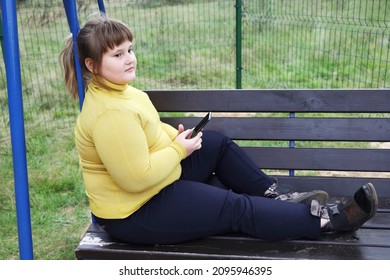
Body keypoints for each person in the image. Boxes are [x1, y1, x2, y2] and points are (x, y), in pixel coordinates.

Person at [60, 14, 378, 245]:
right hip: (136, 212)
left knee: (214, 144)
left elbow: (150, 131)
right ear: (91, 65)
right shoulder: (108, 114)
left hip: (154, 186)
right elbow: (135, 178)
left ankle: (278, 200)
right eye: (118, 54)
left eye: (130, 49)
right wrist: (178, 151)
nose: (130, 59)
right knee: (233, 208)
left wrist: (177, 139)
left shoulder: (123, 92)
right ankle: (329, 220)